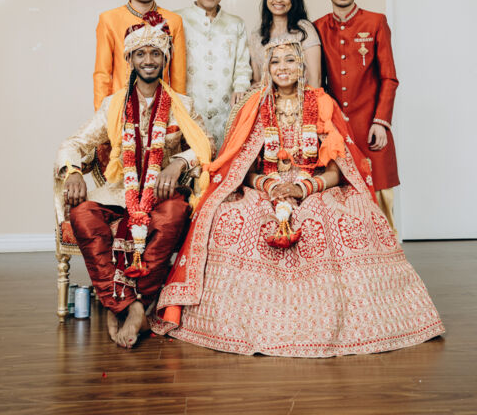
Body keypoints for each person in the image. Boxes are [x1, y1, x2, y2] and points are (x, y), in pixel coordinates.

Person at [148, 39, 443, 357]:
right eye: (275, 62)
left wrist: (305, 189)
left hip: (315, 185)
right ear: (267, 69)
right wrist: (268, 185)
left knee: (345, 216)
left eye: (290, 60)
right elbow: (241, 167)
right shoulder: (255, 106)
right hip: (265, 186)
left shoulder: (322, 103)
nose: (283, 68)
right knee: (230, 216)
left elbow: (338, 169)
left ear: (302, 66)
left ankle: (345, 320)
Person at [56, 13, 213, 348]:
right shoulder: (113, 105)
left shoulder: (182, 105)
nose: (148, 60)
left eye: (155, 53)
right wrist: (73, 171)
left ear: (165, 59)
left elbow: (206, 144)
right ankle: (130, 305)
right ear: (129, 59)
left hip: (161, 194)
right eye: (140, 54)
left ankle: (129, 303)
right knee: (82, 213)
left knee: (174, 214)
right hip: (118, 192)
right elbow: (74, 143)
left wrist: (178, 164)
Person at [314, 0, 399, 232]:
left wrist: (381, 122)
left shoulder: (375, 22)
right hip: (336, 129)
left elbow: (389, 78)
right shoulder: (318, 27)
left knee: (381, 198)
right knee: (340, 198)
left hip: (371, 126)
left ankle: (390, 254)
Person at [93, 0, 186, 111]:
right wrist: (101, 115)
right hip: (121, 106)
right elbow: (102, 73)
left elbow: (178, 76)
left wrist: (179, 114)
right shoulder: (109, 19)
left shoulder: (173, 21)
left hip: (161, 108)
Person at [178, 0, 252, 151]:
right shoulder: (177, 19)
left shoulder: (236, 24)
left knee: (224, 160)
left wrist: (241, 87)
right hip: (188, 108)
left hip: (225, 108)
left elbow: (243, 64)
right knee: (190, 161)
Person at [249, 0, 321, 87]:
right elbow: (256, 81)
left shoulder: (304, 30)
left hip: (302, 97)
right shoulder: (257, 35)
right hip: (266, 98)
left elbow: (315, 79)